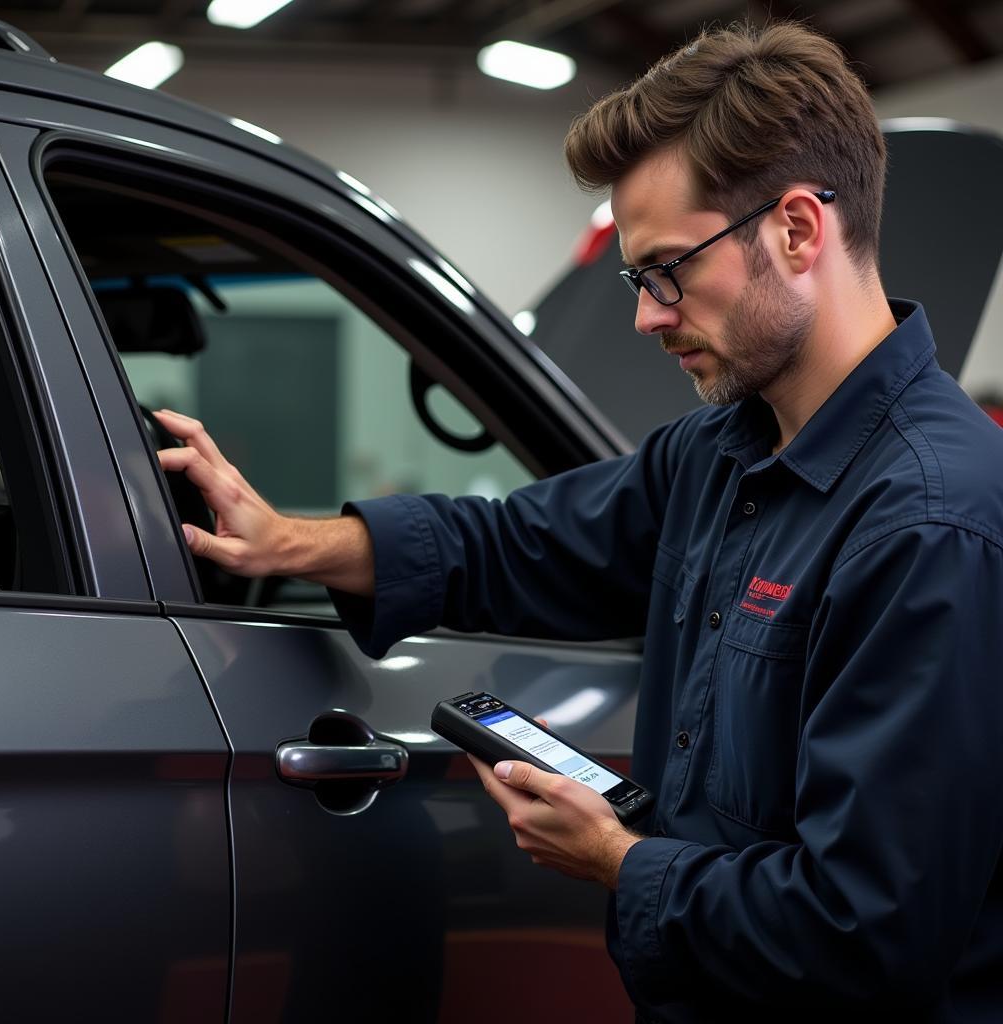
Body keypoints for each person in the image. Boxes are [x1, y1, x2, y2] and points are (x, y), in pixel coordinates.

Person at [154, 20, 1003, 1021]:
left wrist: (617, 858)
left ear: (797, 230)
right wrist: (288, 540)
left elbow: (863, 933)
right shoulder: (721, 451)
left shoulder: (930, 525)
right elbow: (521, 544)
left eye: (666, 271)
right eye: (637, 281)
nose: (648, 315)